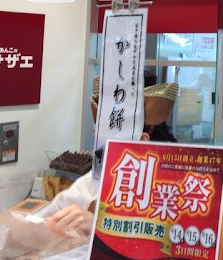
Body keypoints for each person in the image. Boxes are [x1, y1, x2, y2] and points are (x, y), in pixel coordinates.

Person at [37, 81, 179, 236]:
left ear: (142, 140)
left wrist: (97, 224)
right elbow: (41, 224)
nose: (99, 149)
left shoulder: (170, 191)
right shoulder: (93, 181)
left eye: (109, 139)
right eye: (96, 137)